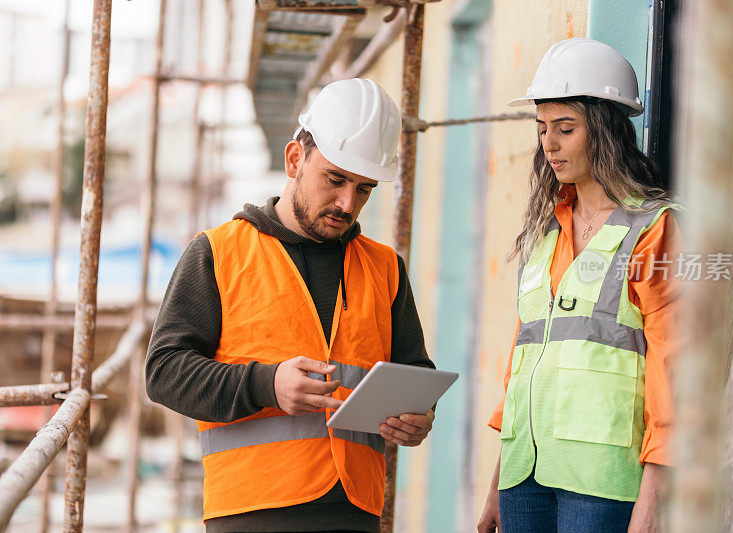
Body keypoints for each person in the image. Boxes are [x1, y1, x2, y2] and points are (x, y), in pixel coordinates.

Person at [146, 78, 436, 533]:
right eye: (335, 179)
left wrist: (418, 420)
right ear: (295, 159)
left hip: (355, 512)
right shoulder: (218, 252)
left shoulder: (385, 268)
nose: (346, 203)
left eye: (364, 189)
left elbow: (415, 373)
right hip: (250, 513)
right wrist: (266, 384)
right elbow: (163, 373)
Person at [477, 38, 681, 533]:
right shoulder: (547, 233)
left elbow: (676, 373)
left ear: (607, 130)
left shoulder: (653, 229)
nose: (549, 144)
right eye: (543, 129)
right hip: (524, 478)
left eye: (565, 129)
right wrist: (498, 486)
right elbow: (524, 366)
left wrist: (654, 501)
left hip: (603, 484)